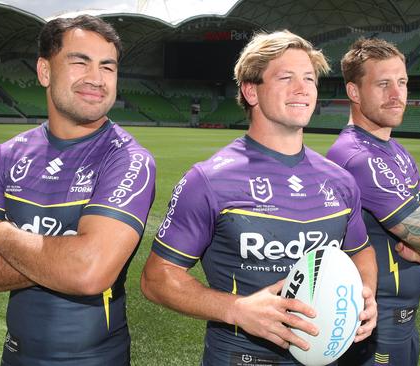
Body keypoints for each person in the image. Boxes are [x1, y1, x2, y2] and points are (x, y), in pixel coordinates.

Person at [140, 30, 377, 365]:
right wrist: (235, 309)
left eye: (309, 78)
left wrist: (365, 295)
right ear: (251, 91)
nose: (303, 89)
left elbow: (361, 250)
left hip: (326, 355)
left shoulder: (340, 181)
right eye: (286, 77)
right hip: (241, 357)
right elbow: (155, 278)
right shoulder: (209, 180)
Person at [0, 15, 155, 365]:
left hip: (96, 359)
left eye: (108, 67)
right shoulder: (7, 155)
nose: (96, 79)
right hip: (14, 356)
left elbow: (88, 272)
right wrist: (62, 257)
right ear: (45, 71)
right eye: (79, 62)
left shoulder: (129, 160)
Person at [326, 38, 420, 366]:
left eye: (402, 83)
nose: (397, 94)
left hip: (402, 324)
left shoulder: (395, 152)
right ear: (354, 92)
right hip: (376, 327)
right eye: (383, 84)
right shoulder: (359, 157)